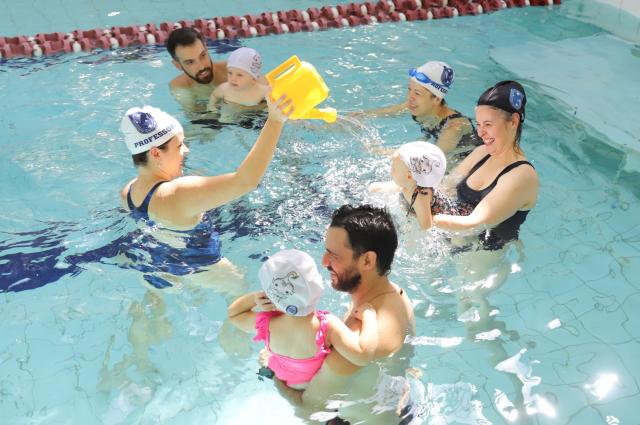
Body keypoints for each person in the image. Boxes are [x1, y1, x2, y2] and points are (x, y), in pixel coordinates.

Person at [275, 205, 416, 424]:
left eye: (333, 255)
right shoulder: (396, 295)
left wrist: (274, 373)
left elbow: (309, 410)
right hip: (398, 408)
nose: (324, 262)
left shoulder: (356, 343)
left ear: (368, 261)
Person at [227, 249, 379, 390]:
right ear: (317, 285)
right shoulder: (326, 325)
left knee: (266, 355)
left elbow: (234, 314)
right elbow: (362, 356)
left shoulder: (268, 323)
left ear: (271, 295)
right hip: (307, 385)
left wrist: (255, 298)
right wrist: (369, 316)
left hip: (282, 375)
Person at [429, 80, 539, 251]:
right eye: (479, 124)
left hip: (480, 256)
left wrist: (424, 216)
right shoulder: (482, 152)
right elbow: (445, 188)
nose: (480, 133)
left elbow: (473, 223)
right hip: (450, 235)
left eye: (488, 124)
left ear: (513, 121)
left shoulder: (522, 176)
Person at [355, 61, 481, 164]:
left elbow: (430, 160)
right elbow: (384, 112)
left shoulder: (454, 128)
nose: (410, 97)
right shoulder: (417, 105)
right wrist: (357, 116)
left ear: (436, 99)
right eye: (409, 89)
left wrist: (381, 151)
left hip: (460, 162)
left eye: (417, 93)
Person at [369, 141, 459, 229]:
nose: (391, 170)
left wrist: (411, 217)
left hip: (449, 217)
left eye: (394, 168)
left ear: (409, 176)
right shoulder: (412, 183)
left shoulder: (419, 196)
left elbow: (426, 226)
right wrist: (382, 187)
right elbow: (402, 186)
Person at [166, 28, 228, 112]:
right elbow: (195, 116)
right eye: (190, 62)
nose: (201, 67)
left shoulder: (231, 70)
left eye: (202, 55)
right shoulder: (180, 87)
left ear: (206, 49)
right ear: (178, 65)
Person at [209, 47, 268, 112]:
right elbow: (214, 95)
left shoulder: (262, 91)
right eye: (230, 73)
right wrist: (212, 106)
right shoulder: (224, 88)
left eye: (239, 75)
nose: (233, 79)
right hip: (230, 111)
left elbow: (273, 100)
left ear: (253, 79)